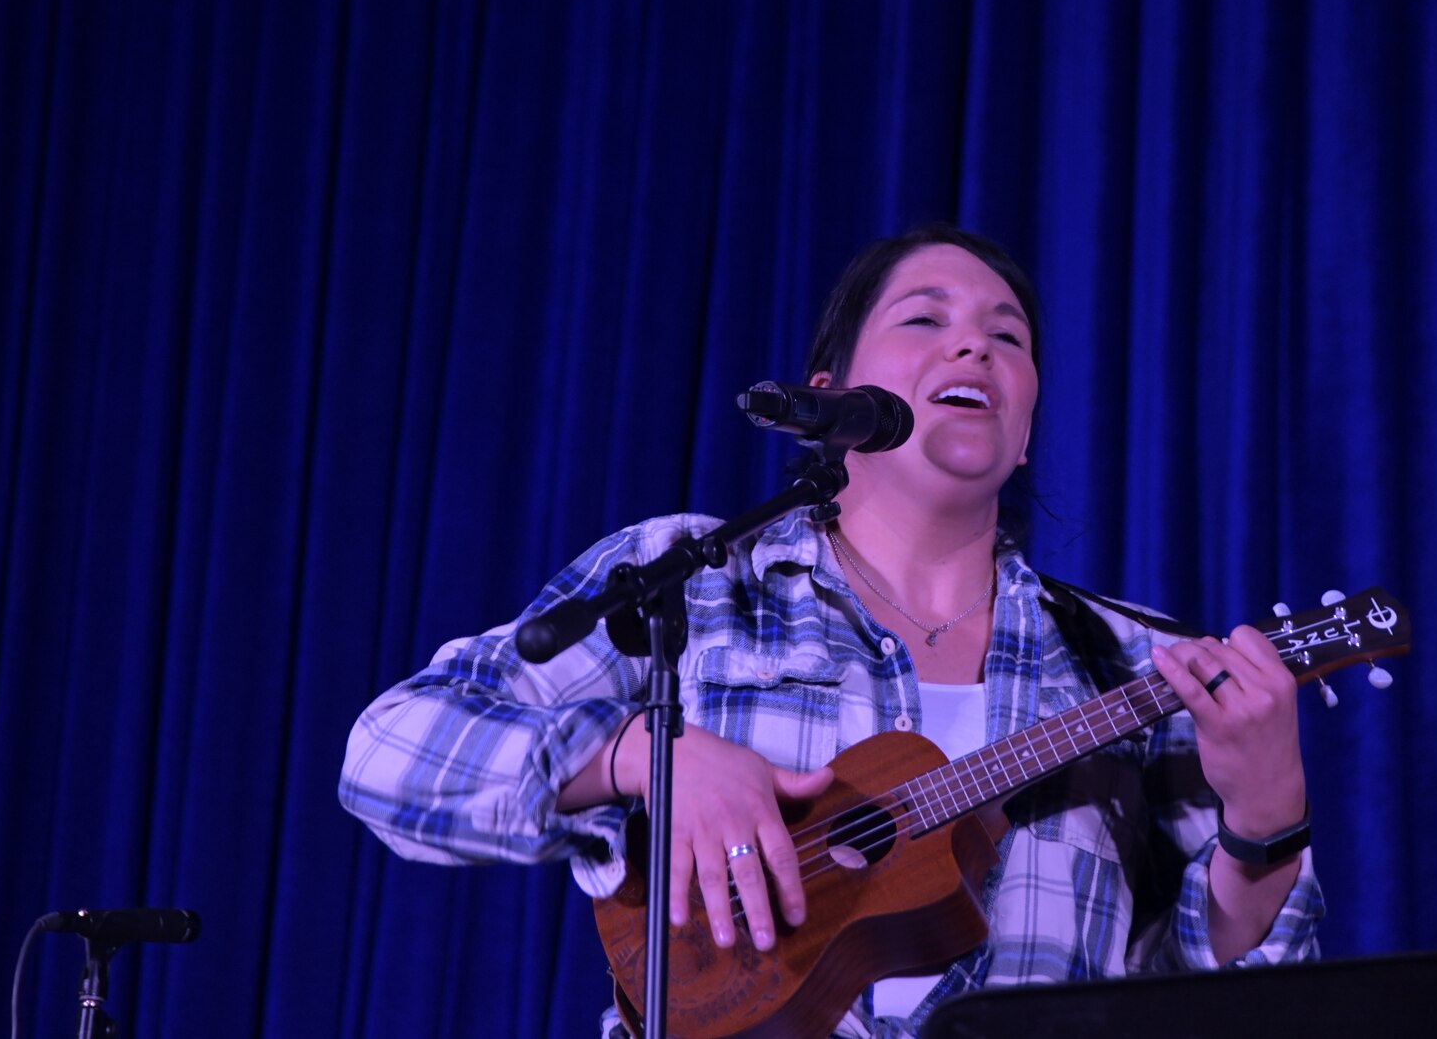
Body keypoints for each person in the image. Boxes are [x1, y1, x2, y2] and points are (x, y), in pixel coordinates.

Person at [340, 224, 1321, 1037]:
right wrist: (646, 755)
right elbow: (387, 754)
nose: (971, 347)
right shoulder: (700, 583)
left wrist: (1266, 821)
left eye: (1006, 337)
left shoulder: (1129, 662)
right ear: (827, 401)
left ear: (1023, 433)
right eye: (923, 320)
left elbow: (1208, 997)